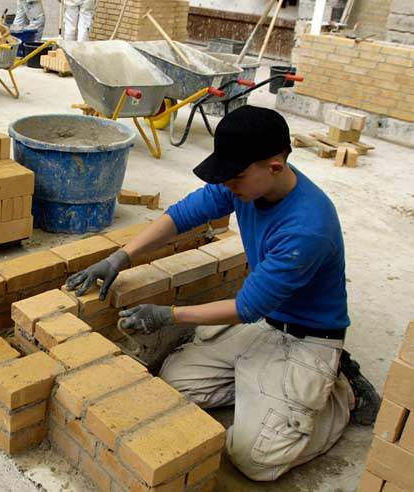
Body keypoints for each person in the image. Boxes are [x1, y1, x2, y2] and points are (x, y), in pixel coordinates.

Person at [66, 106, 380, 481]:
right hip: (268, 325)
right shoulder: (247, 182)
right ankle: (267, 390)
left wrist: (167, 315)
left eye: (235, 177)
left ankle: (341, 394)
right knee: (174, 383)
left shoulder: (307, 229)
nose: (227, 184)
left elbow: (247, 307)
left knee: (254, 459)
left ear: (275, 167)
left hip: (308, 338)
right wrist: (119, 258)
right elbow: (183, 215)